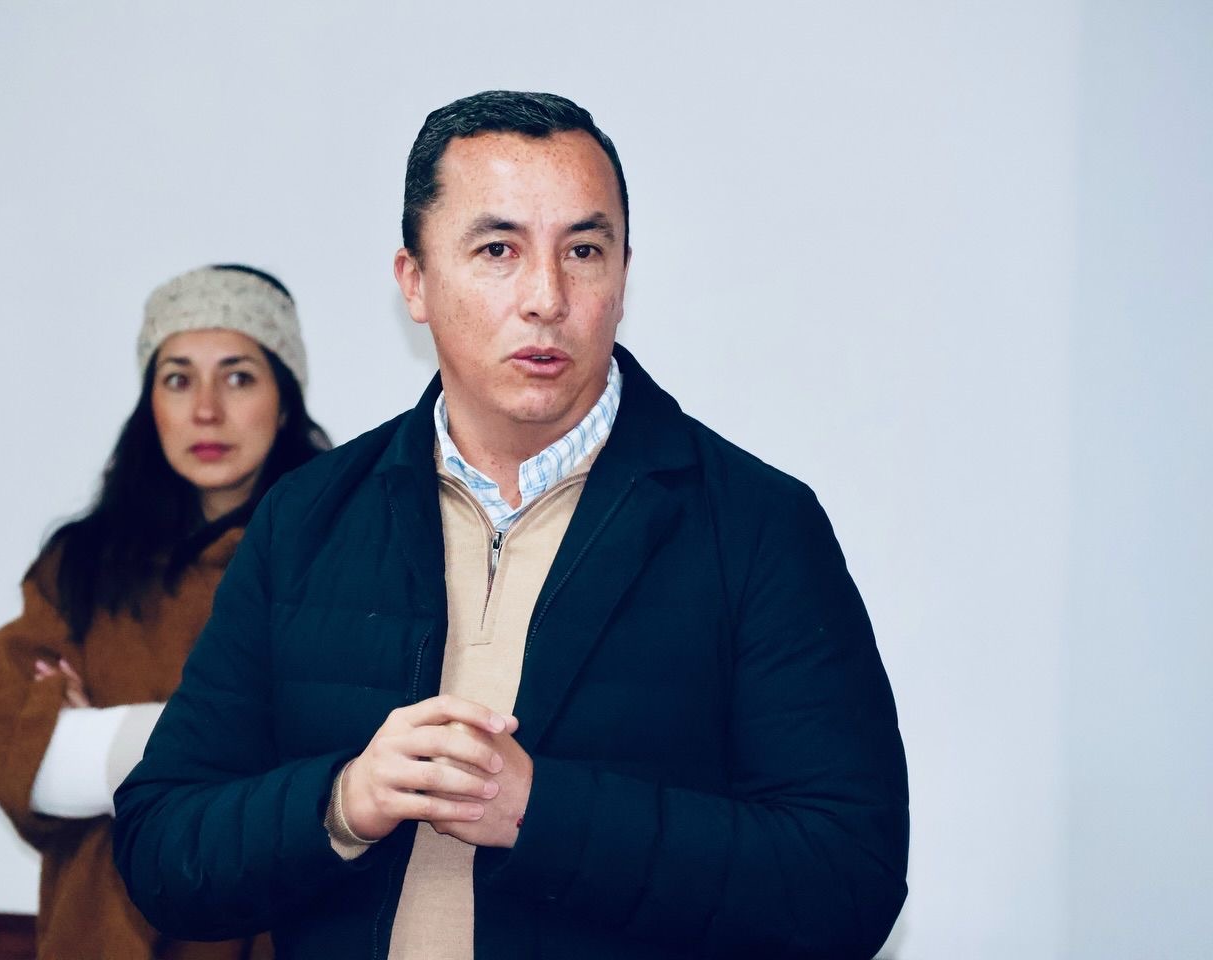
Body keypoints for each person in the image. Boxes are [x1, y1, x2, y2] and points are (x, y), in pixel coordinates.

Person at [114, 92, 909, 959]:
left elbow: (848, 882)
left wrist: (545, 815)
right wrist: (341, 803)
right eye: (498, 249)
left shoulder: (755, 527)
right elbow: (162, 846)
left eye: (584, 251)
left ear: (624, 276)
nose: (546, 298)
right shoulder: (307, 517)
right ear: (415, 282)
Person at [0, 264, 328, 959]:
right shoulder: (79, 569)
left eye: (238, 376)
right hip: (102, 935)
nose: (206, 410)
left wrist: (108, 746)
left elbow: (350, 759)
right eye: (177, 379)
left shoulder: (342, 555)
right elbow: (24, 761)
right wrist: (246, 753)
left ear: (284, 402)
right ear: (150, 403)